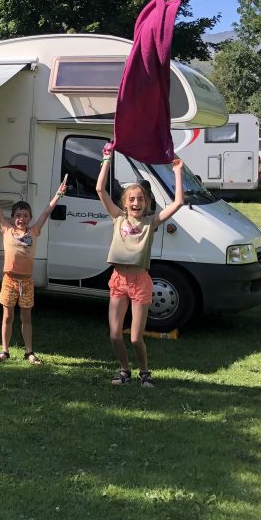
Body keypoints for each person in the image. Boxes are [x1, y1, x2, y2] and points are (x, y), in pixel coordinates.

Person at [95, 149, 185, 387]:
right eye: (132, 199)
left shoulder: (150, 223)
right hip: (118, 281)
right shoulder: (118, 218)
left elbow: (178, 202)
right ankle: (124, 370)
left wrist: (177, 172)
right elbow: (100, 189)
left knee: (135, 338)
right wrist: (106, 159)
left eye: (141, 199)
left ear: (146, 204)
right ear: (125, 203)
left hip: (140, 283)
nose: (136, 203)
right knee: (115, 335)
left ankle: (144, 372)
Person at [0, 175, 67, 365]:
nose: (21, 219)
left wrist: (59, 194)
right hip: (9, 280)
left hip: (27, 282)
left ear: (30, 218)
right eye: (18, 215)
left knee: (26, 317)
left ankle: (29, 352)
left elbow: (47, 211)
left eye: (25, 215)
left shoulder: (34, 231)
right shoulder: (6, 229)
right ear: (13, 217)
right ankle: (5, 350)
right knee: (7, 317)